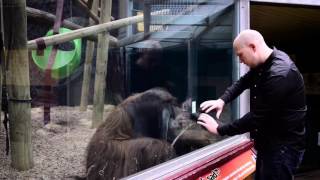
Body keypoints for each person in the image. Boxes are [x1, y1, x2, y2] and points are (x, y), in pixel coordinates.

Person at [197, 29, 306, 180]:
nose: (240, 61)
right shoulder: (265, 63)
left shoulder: (279, 74)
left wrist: (219, 129)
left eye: (240, 55)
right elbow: (244, 81)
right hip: (269, 143)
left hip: (282, 149)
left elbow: (257, 118)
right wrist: (222, 100)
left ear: (253, 47)